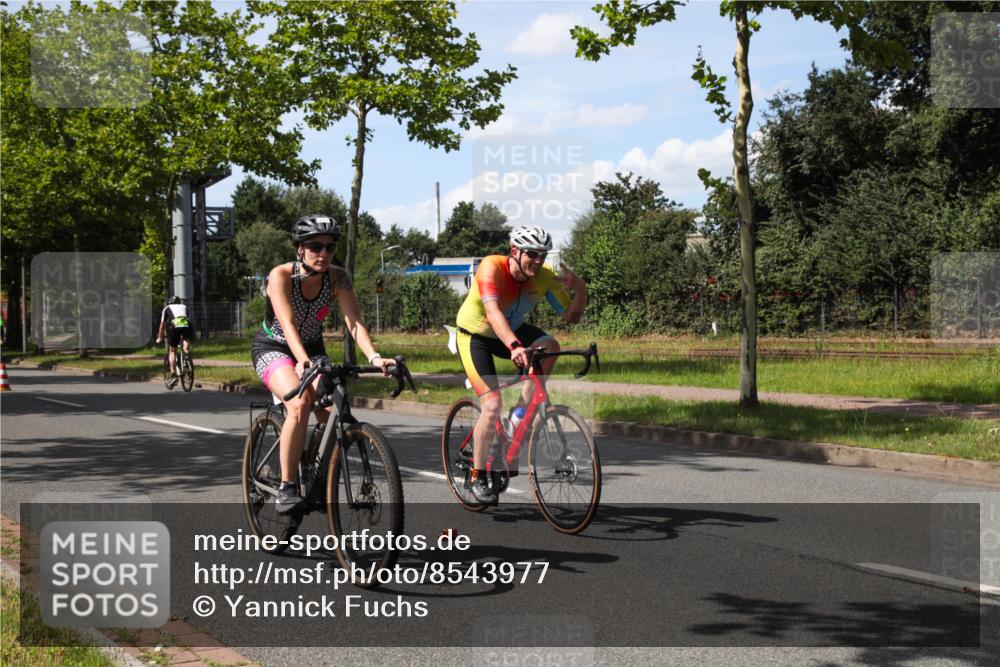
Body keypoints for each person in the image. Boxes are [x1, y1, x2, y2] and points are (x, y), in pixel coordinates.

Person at [251, 214, 395, 514]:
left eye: (330, 247)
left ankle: (313, 470)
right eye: (315, 246)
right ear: (299, 249)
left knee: (333, 413)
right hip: (274, 347)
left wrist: (374, 357)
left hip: (313, 349)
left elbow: (354, 323)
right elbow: (287, 324)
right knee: (300, 403)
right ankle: (287, 487)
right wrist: (302, 360)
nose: (324, 253)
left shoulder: (338, 278)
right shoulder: (281, 275)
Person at [454, 225, 587, 505]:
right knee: (492, 405)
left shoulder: (544, 277)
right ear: (514, 251)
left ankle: (518, 419)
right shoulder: (491, 267)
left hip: (511, 331)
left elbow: (571, 317)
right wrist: (514, 346)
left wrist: (581, 290)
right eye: (532, 254)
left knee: (549, 346)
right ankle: (477, 475)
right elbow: (492, 312)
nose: (538, 261)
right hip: (476, 335)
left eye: (543, 255)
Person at [155, 296, 192, 388]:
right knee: (185, 341)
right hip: (187, 325)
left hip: (174, 327)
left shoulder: (166, 308)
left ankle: (174, 375)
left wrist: (160, 337)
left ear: (169, 302)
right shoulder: (185, 307)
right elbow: (186, 319)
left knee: (172, 351)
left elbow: (162, 325)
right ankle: (186, 357)